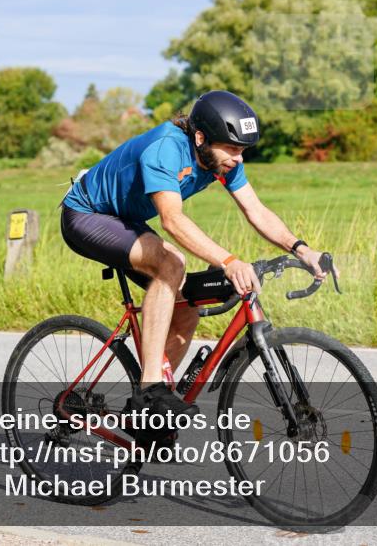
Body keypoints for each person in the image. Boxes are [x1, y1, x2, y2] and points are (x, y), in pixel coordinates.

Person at [60, 90, 334, 423]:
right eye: (232, 149)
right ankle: (150, 390)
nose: (238, 159)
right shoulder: (166, 149)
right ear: (201, 137)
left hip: (125, 219)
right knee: (171, 264)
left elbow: (256, 210)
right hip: (86, 215)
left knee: (188, 305)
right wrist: (229, 262)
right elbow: (172, 220)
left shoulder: (221, 160)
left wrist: (302, 249)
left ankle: (149, 415)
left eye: (242, 150)